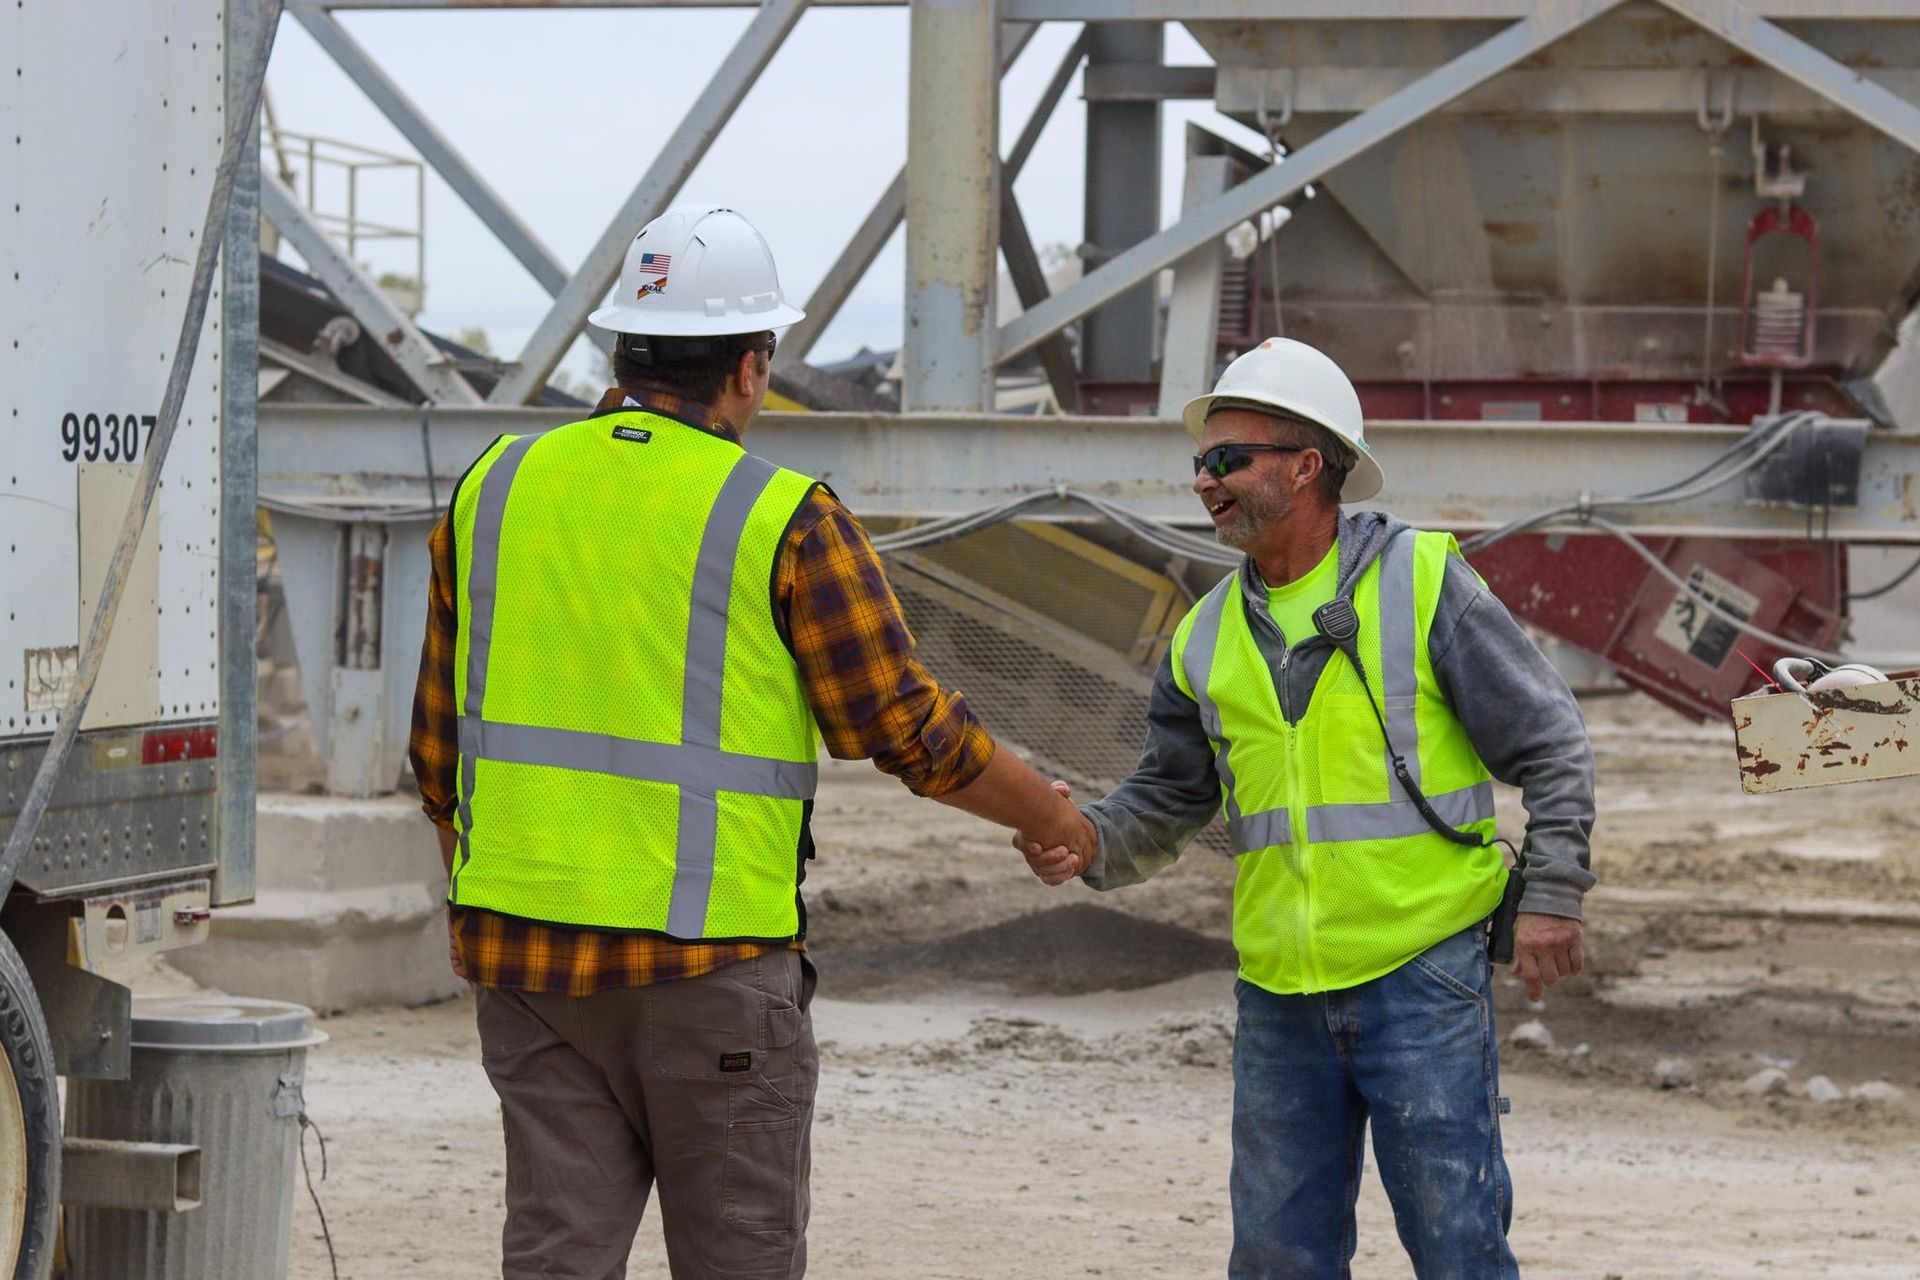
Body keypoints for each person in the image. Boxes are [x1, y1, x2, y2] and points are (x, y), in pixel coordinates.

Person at [409, 204, 1093, 1280]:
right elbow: (906, 726)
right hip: (711, 967)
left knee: (556, 1260)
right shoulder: (782, 515)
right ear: (751, 366)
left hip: (529, 964)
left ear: (621, 348)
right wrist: (1057, 820)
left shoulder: (494, 487)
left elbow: (437, 755)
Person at [1017, 338, 1595, 1279]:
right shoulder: (1203, 636)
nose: (1204, 481)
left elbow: (1551, 741)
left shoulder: (1420, 580)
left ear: (1305, 463)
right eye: (1200, 463)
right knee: (1279, 1260)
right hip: (1280, 996)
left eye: (1226, 459)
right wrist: (1083, 841)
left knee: (1458, 1250)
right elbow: (1169, 796)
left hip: (1424, 975)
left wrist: (1555, 892)